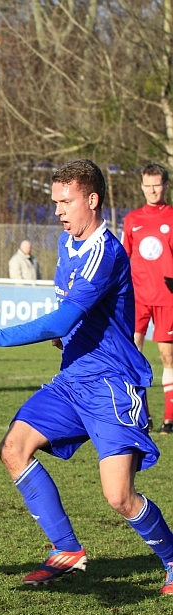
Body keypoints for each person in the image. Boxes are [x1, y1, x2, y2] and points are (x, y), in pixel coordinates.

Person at [0, 159, 173, 595]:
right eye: (55, 202)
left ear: (92, 200)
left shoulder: (105, 252)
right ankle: (66, 548)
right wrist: (69, 337)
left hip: (111, 384)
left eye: (65, 202)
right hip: (73, 380)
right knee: (14, 447)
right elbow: (76, 320)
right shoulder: (67, 244)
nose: (58, 211)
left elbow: (62, 317)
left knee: (119, 498)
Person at [122, 163, 173, 434]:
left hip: (168, 298)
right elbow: (123, 258)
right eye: (148, 185)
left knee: (167, 357)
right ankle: (143, 415)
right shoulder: (132, 220)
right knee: (134, 355)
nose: (152, 190)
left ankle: (170, 418)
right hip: (138, 298)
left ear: (165, 186)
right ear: (142, 186)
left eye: (157, 184)